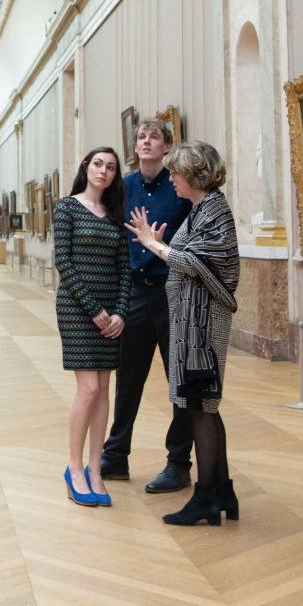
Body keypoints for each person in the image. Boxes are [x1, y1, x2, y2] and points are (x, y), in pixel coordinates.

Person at [126, 141, 240, 526]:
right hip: (193, 324)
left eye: (176, 171)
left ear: (194, 173)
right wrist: (159, 244)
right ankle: (222, 492)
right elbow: (193, 258)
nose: (171, 176)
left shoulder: (214, 210)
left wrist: (155, 246)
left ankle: (205, 498)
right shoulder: (201, 209)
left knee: (199, 408)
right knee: (204, 407)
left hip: (202, 327)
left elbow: (197, 263)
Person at [101, 119, 194, 493]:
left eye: (154, 136)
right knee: (128, 379)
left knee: (179, 382)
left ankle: (178, 463)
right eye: (141, 136)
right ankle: (115, 455)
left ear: (167, 146)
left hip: (172, 292)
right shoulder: (123, 187)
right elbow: (112, 238)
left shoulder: (179, 187)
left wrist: (162, 246)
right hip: (135, 293)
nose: (146, 141)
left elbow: (191, 240)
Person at [54, 148, 131, 507]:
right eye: (98, 164)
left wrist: (120, 313)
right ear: (86, 166)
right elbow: (64, 262)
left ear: (115, 175)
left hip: (109, 315)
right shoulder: (67, 207)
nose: (103, 171)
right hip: (76, 309)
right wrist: (95, 310)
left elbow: (124, 269)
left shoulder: (116, 215)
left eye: (111, 167)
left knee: (103, 391)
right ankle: (74, 468)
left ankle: (95, 469)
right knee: (88, 390)